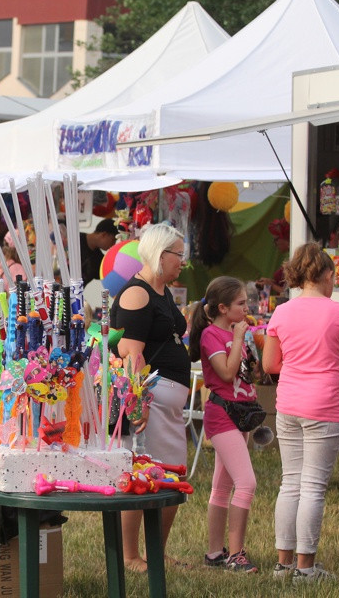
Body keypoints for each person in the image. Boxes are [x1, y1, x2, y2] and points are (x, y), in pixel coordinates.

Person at [262, 242, 339, 582]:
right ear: (325, 275)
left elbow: (270, 364)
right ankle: (306, 568)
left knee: (289, 483)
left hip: (288, 404)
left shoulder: (282, 312)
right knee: (313, 487)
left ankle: (283, 565)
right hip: (323, 405)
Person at [109, 222, 191, 573]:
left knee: (170, 478)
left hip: (169, 404)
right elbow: (129, 356)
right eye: (178, 255)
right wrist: (137, 403)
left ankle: (155, 551)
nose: (182, 263)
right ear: (160, 254)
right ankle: (130, 556)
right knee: (142, 476)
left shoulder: (161, 291)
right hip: (151, 403)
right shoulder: (137, 293)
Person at [188, 276, 259, 573]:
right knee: (247, 483)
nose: (247, 308)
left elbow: (244, 373)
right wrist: (240, 338)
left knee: (222, 485)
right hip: (222, 414)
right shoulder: (211, 336)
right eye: (241, 304)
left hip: (240, 412)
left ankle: (215, 552)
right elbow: (226, 374)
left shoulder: (232, 332)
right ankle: (236, 554)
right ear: (222, 307)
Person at [80, 218, 118, 285]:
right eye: (113, 240)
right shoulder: (73, 240)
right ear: (104, 235)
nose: (113, 245)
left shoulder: (99, 261)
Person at [258, 218, 290, 295]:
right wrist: (270, 282)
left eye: (276, 239)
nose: (275, 244)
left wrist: (271, 285)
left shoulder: (296, 259)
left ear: (285, 237)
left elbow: (289, 293)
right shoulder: (291, 256)